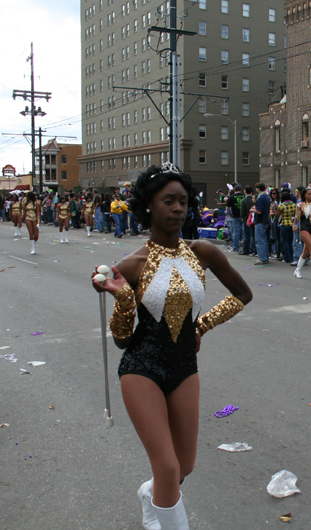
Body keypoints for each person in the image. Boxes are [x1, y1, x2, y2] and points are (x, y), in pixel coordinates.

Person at [92, 163, 252, 529]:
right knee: (166, 467)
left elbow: (244, 294)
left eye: (183, 201)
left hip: (184, 367)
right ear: (149, 205)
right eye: (169, 201)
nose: (178, 208)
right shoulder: (130, 266)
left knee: (184, 466)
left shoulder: (204, 252)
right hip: (141, 367)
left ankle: (151, 496)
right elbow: (121, 339)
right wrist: (122, 300)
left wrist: (202, 325)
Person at [293, 187, 311, 281]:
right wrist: (294, 225)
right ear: (305, 195)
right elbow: (296, 217)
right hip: (304, 227)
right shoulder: (300, 204)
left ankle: (297, 270)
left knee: (306, 251)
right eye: (309, 194)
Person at [252, 182, 271, 265]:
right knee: (264, 239)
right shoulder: (267, 197)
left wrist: (253, 210)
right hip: (266, 220)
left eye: (256, 188)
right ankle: (265, 257)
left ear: (258, 188)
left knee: (259, 240)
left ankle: (262, 258)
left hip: (260, 220)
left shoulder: (260, 198)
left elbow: (259, 211)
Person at [277, 189, 296, 264]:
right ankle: (292, 256)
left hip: (284, 224)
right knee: (291, 241)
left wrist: (275, 209)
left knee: (285, 242)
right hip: (292, 224)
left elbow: (277, 215)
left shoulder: (281, 206)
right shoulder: (294, 205)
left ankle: (287, 257)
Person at [227, 185, 244, 253]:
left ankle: (235, 247)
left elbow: (228, 207)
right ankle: (246, 247)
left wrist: (230, 214)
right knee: (244, 232)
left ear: (234, 190)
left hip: (235, 216)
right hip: (243, 216)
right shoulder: (244, 196)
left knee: (236, 232)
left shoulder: (231, 197)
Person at [239, 186, 255, 256]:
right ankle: (253, 249)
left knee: (246, 235)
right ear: (251, 192)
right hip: (254, 219)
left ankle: (246, 250)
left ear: (245, 191)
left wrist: (243, 217)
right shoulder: (254, 199)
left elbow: (242, 211)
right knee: (253, 236)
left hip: (246, 219)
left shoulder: (244, 200)